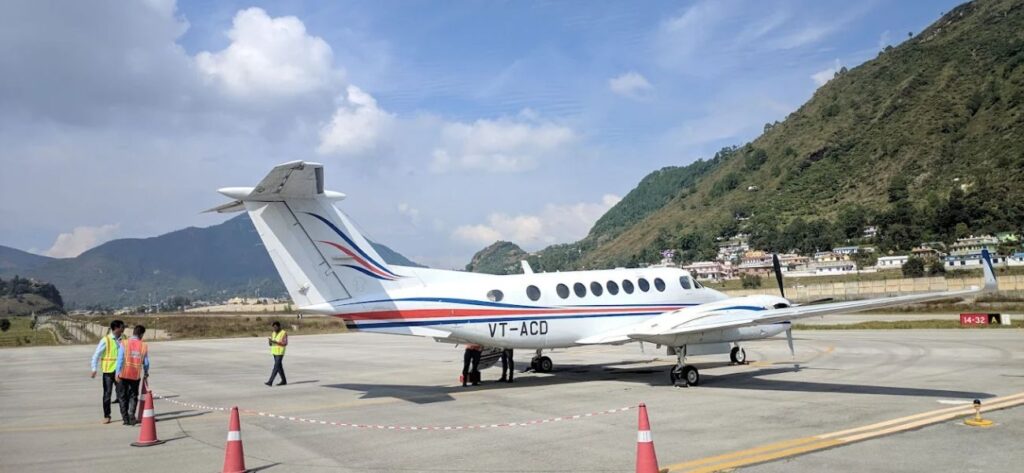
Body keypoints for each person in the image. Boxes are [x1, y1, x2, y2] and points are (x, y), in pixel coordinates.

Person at [90, 320, 125, 424]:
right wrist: (94, 368)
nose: (123, 329)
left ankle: (125, 416)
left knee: (122, 394)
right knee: (107, 394)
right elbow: (96, 354)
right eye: (122, 327)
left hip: (120, 371)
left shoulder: (124, 339)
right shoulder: (106, 340)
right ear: (116, 328)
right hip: (108, 372)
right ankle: (107, 416)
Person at [114, 325, 149, 426]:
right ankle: (131, 415)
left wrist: (117, 373)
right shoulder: (143, 345)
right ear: (141, 334)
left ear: (133, 332)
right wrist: (146, 372)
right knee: (133, 396)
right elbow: (146, 363)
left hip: (123, 374)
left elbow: (120, 359)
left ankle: (125, 419)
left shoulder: (124, 343)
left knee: (122, 396)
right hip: (135, 375)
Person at [265, 321, 288, 386]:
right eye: (273, 327)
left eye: (275, 327)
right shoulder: (273, 333)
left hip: (280, 352)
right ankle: (284, 381)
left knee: (275, 367)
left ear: (279, 326)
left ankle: (270, 381)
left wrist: (276, 342)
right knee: (279, 367)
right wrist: (270, 342)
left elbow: (285, 343)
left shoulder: (284, 333)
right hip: (274, 352)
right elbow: (271, 343)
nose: (274, 328)